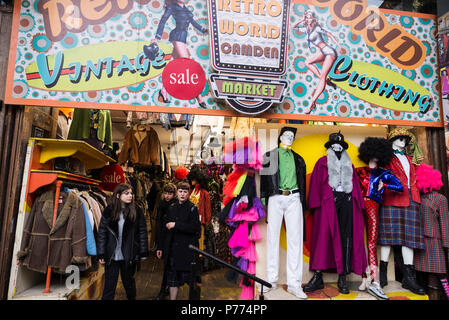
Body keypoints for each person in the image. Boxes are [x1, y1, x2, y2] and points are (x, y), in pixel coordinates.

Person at [304, 132, 367, 294]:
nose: (337, 147)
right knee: (323, 237)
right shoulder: (322, 163)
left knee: (346, 237)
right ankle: (318, 276)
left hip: (346, 201)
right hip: (327, 202)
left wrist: (357, 204)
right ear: (330, 147)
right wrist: (315, 205)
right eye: (334, 145)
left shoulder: (349, 165)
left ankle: (342, 277)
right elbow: (316, 184)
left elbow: (356, 188)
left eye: (340, 146)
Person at [259, 126, 307, 299]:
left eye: (292, 136)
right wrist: (265, 202)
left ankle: (295, 284)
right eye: (286, 135)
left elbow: (302, 182)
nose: (289, 137)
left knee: (295, 240)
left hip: (294, 197)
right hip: (275, 197)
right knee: (272, 238)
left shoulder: (299, 159)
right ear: (280, 137)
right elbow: (264, 182)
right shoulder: (269, 156)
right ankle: (271, 280)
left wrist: (302, 201)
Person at [356, 137, 403, 300]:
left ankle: (375, 281)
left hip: (373, 206)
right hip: (358, 206)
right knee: (358, 241)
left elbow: (401, 187)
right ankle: (364, 278)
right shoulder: (358, 171)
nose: (375, 155)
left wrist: (386, 185)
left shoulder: (385, 173)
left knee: (371, 242)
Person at [97, 183, 149, 300]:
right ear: (118, 195)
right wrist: (101, 252)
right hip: (112, 255)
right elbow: (102, 233)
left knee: (129, 284)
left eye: (131, 193)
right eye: (126, 193)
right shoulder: (109, 211)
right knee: (109, 286)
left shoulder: (136, 211)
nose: (130, 196)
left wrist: (143, 251)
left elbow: (142, 232)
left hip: (129, 254)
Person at [151, 0, 207, 108]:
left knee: (174, 66)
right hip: (177, 36)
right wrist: (157, 37)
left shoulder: (186, 9)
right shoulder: (172, 7)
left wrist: (204, 30)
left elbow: (193, 22)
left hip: (182, 36)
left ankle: (164, 90)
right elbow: (163, 20)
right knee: (187, 65)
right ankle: (198, 96)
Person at [293, 10, 342, 114]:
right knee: (307, 62)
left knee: (322, 79)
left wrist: (338, 45)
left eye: (309, 17)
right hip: (323, 52)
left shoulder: (317, 28)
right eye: (306, 17)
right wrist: (301, 20)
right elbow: (294, 27)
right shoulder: (306, 29)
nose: (308, 19)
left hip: (329, 52)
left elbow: (329, 34)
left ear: (313, 19)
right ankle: (326, 81)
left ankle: (311, 104)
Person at [160, 181, 201, 300]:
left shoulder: (193, 208)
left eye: (185, 192)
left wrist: (176, 225)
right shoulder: (171, 208)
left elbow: (195, 228)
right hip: (173, 249)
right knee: (173, 280)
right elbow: (165, 229)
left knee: (192, 279)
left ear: (188, 194)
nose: (182, 194)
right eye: (180, 191)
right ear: (177, 192)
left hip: (187, 251)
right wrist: (161, 247)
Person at [154, 183, 177, 300]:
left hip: (175, 240)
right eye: (166, 193)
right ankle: (164, 289)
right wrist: (159, 245)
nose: (167, 196)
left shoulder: (177, 205)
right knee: (167, 266)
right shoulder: (161, 205)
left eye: (170, 194)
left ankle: (167, 288)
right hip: (165, 238)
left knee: (172, 266)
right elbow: (159, 225)